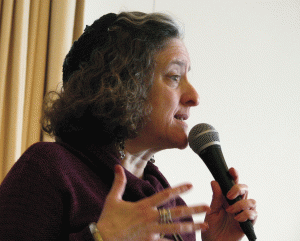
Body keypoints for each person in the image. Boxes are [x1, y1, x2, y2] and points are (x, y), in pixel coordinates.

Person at [0, 12, 257, 240]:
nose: (195, 96)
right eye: (174, 77)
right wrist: (100, 238)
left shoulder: (174, 209)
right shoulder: (48, 170)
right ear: (122, 87)